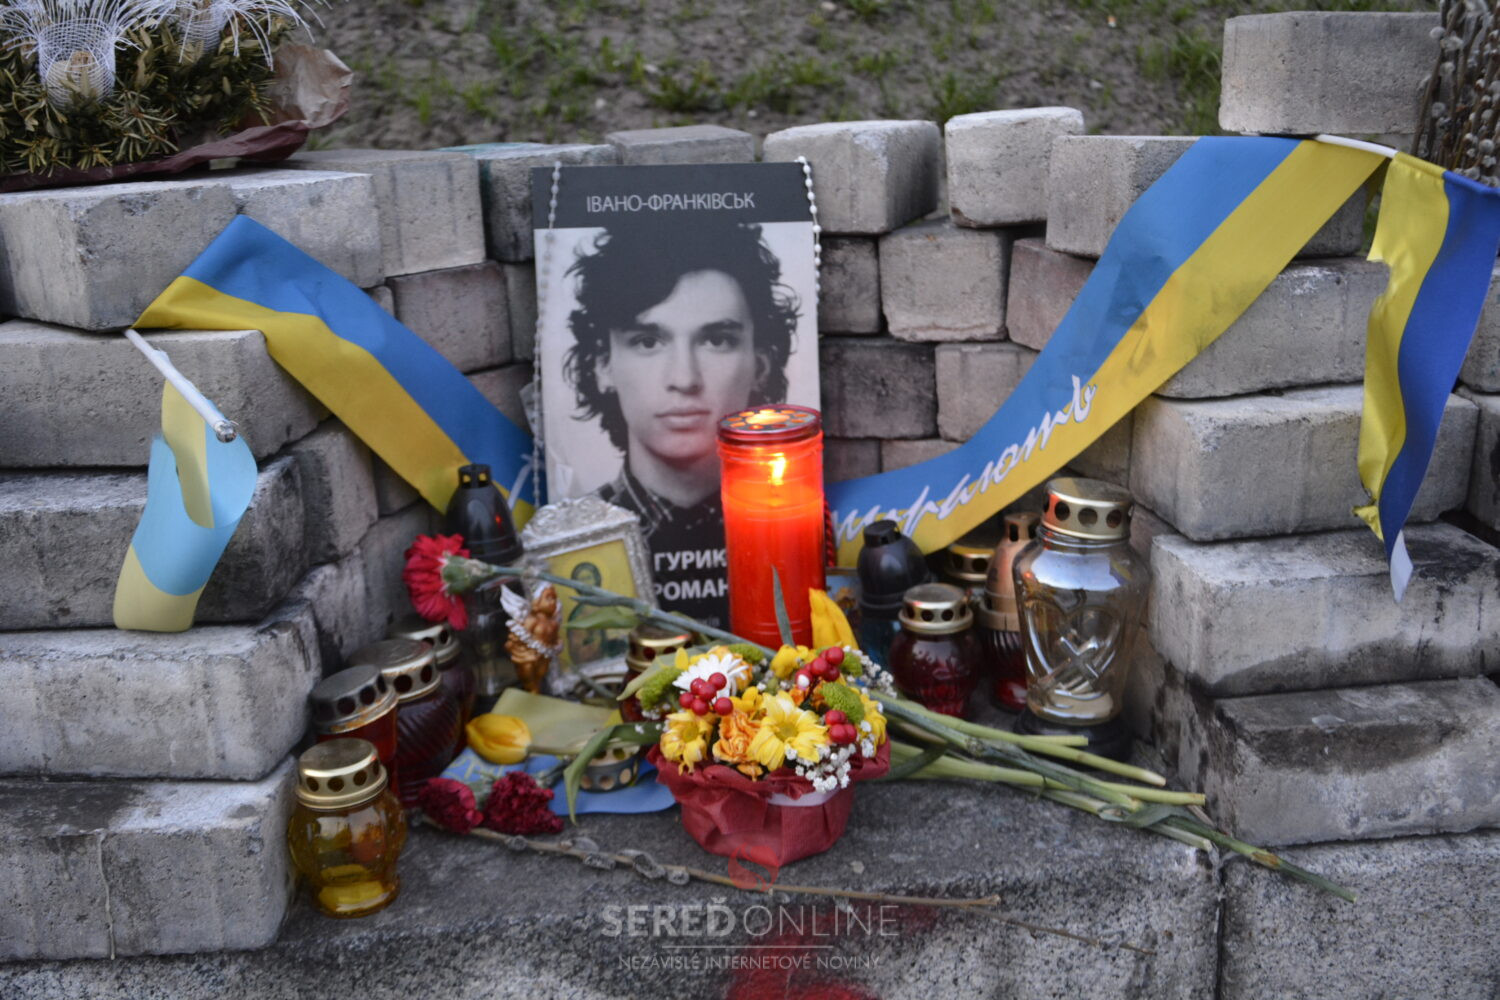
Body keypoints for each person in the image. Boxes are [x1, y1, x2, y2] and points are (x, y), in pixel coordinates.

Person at [562, 218, 801, 626]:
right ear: (602, 365)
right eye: (648, 342)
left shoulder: (794, 525)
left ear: (761, 364)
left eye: (716, 340)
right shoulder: (572, 546)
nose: (685, 379)